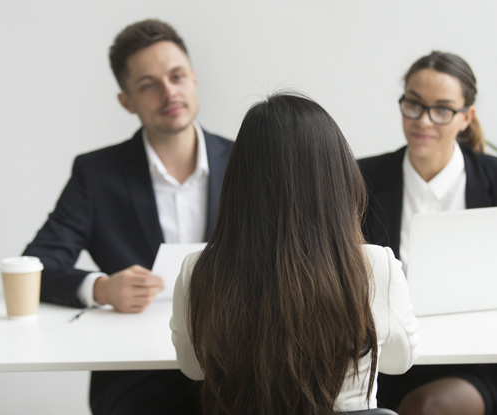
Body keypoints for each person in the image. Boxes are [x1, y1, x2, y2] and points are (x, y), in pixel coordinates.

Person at [23, 19, 233, 414]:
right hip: (136, 374)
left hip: (237, 363)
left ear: (194, 79)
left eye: (177, 76)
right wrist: (100, 289)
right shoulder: (96, 174)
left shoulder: (246, 160)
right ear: (126, 101)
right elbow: (37, 264)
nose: (169, 92)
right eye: (148, 85)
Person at [358, 51, 497, 415]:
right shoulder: (365, 178)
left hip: (483, 357)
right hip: (392, 356)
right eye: (413, 105)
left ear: (466, 117)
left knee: (425, 408)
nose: (424, 121)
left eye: (442, 110)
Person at [170, 93, 420, 415]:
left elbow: (194, 367)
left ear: (238, 182)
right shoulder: (374, 267)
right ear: (337, 178)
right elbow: (401, 361)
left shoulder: (199, 270)